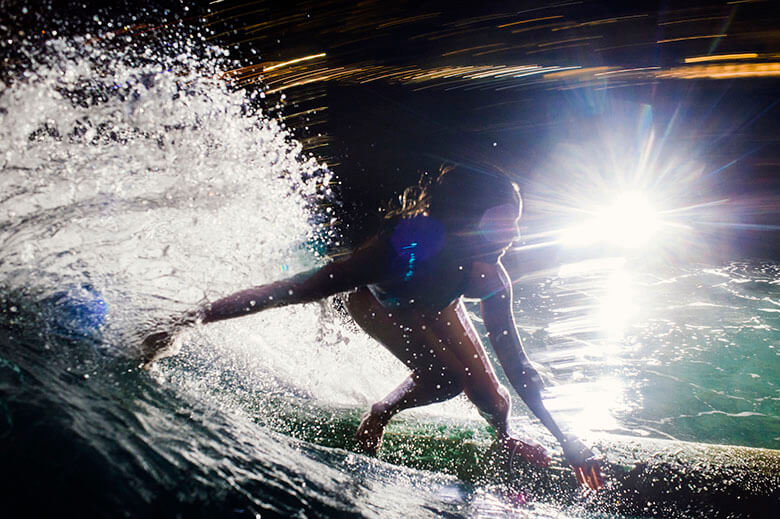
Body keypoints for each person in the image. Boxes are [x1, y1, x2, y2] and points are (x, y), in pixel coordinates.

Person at [142, 166, 604, 490]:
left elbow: (519, 366)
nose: (515, 236)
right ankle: (379, 413)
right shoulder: (396, 252)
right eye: (503, 224)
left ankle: (503, 439)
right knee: (445, 381)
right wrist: (187, 321)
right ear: (466, 221)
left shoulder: (488, 273)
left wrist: (567, 440)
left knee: (495, 400)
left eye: (516, 224)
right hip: (381, 304)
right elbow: (292, 289)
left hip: (438, 304)